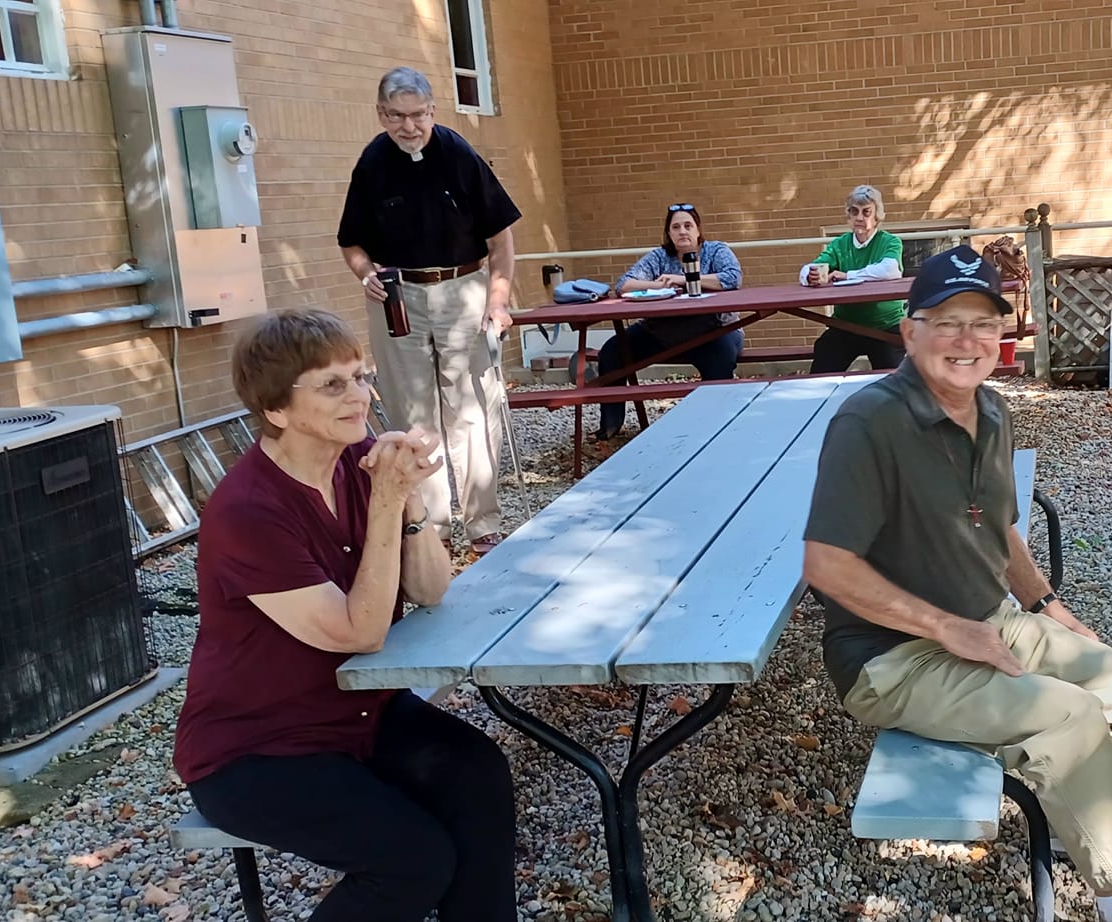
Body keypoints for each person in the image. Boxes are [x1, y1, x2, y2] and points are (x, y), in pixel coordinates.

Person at [802, 246, 1112, 922]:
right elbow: (827, 566)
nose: (967, 340)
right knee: (1069, 714)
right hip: (891, 659)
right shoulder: (869, 423)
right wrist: (947, 628)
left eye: (982, 322)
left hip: (990, 623)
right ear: (909, 331)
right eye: (946, 321)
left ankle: (1082, 829)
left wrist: (1048, 605)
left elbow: (1000, 527)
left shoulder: (995, 411)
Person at [173, 309, 518, 922]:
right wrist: (387, 498)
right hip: (258, 749)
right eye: (333, 384)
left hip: (359, 713)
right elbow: (362, 631)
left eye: (360, 376)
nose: (359, 395)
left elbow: (431, 590)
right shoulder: (247, 512)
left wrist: (408, 499)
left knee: (477, 774)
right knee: (413, 860)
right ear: (276, 409)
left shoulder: (357, 461)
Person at [338, 66, 521, 555]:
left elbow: (500, 238)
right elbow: (351, 241)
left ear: (433, 112)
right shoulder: (372, 163)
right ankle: (432, 527)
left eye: (418, 115)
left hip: (464, 289)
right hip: (399, 297)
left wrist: (498, 301)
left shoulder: (458, 154)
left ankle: (483, 523)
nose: (409, 126)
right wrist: (365, 274)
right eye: (397, 117)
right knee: (411, 414)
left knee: (472, 409)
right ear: (381, 115)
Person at [594, 203, 746, 439]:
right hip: (661, 333)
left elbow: (733, 278)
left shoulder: (717, 250)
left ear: (698, 230)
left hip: (715, 330)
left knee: (720, 359)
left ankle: (716, 428)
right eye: (676, 227)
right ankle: (610, 426)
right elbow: (624, 285)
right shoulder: (658, 257)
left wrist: (683, 279)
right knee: (611, 353)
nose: (682, 231)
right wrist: (658, 285)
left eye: (688, 225)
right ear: (668, 233)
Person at [799, 185, 906, 373]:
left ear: (877, 216)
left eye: (866, 212)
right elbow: (810, 267)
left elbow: (890, 269)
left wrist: (848, 275)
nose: (859, 218)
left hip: (886, 327)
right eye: (854, 212)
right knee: (823, 361)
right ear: (848, 216)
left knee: (890, 379)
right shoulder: (839, 244)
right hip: (845, 325)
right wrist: (810, 275)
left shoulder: (890, 241)